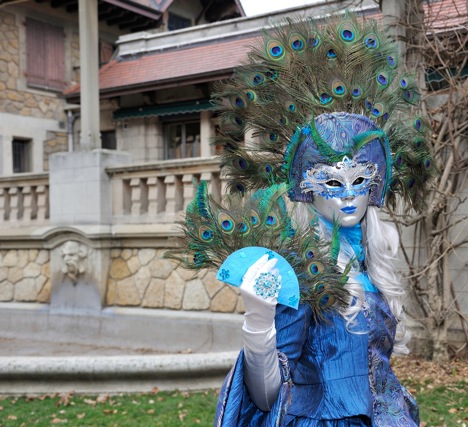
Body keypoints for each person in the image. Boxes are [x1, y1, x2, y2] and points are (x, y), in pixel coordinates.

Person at [167, 11, 434, 427]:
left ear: (375, 186)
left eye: (360, 180)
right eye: (331, 182)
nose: (348, 196)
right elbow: (267, 393)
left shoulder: (372, 265)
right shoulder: (304, 271)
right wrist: (258, 324)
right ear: (308, 189)